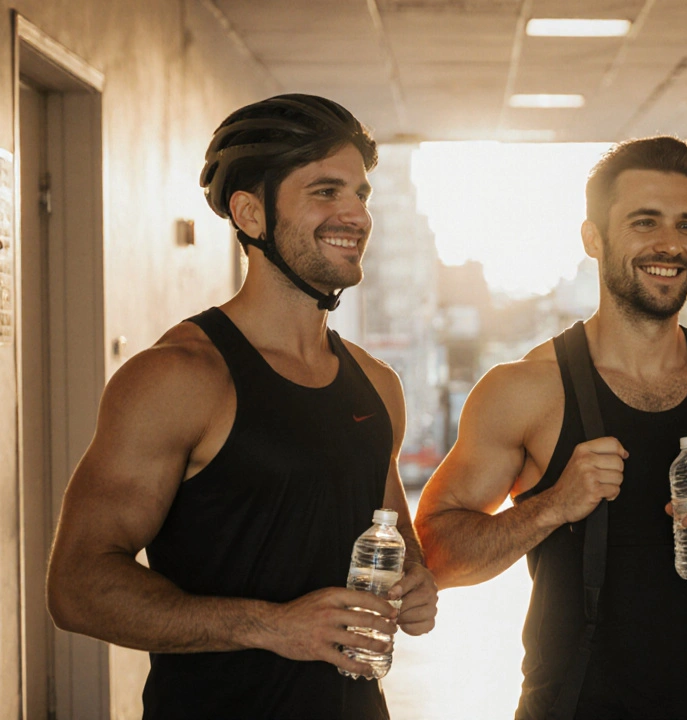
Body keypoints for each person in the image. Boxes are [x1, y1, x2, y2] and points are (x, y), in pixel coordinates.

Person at [46, 94, 439, 720]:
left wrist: (416, 584)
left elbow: (390, 530)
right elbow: (77, 587)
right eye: (325, 192)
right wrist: (271, 626)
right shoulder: (177, 378)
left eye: (361, 195)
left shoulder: (376, 383)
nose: (355, 215)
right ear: (251, 214)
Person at [414, 136, 687, 720]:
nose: (670, 245)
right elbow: (435, 554)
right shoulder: (524, 389)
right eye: (644, 222)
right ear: (593, 239)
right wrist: (551, 506)